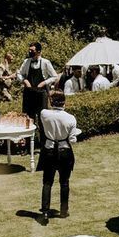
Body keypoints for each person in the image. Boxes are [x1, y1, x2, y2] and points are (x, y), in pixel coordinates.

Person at [37, 90, 77, 222]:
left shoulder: (44, 114)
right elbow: (72, 139)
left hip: (49, 150)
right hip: (64, 150)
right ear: (64, 103)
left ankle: (45, 211)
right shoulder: (71, 118)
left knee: (47, 182)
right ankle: (64, 210)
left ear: (51, 102)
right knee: (64, 182)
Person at [17, 42, 57, 120]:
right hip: (29, 93)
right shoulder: (26, 62)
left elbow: (54, 76)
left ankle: (42, 132)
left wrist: (44, 82)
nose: (30, 52)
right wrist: (24, 80)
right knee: (28, 117)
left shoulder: (45, 62)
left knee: (42, 117)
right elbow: (18, 73)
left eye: (32, 50)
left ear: (38, 51)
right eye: (29, 50)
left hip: (41, 93)